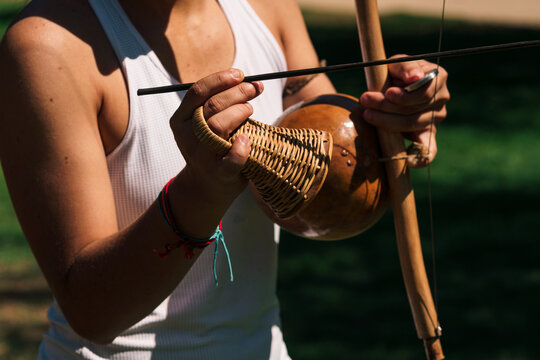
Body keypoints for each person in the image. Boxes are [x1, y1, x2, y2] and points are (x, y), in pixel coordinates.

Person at [0, 0, 450, 359]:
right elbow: (92, 311)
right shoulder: (47, 45)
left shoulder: (266, 7)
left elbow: (336, 169)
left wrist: (394, 119)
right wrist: (200, 193)